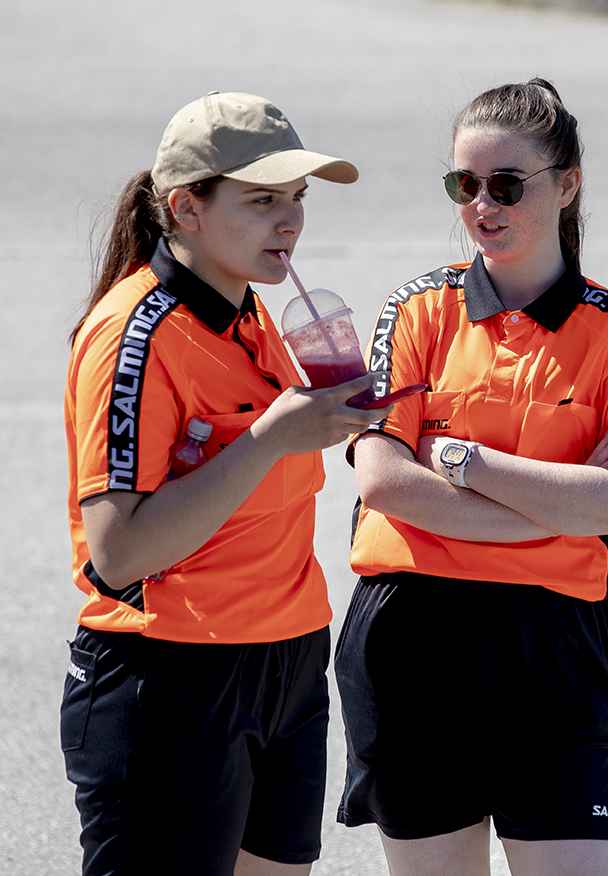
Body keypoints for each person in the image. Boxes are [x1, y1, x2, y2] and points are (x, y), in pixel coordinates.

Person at [334, 78, 608, 876]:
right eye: (464, 185)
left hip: (556, 648)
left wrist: (461, 461)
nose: (481, 205)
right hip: (412, 639)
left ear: (566, 186)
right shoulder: (416, 310)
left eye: (506, 185)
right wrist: (557, 506)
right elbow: (382, 481)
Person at [60, 91, 389, 876]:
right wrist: (271, 438)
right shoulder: (135, 335)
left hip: (287, 659)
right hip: (173, 670)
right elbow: (117, 552)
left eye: (297, 198)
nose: (291, 221)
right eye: (262, 200)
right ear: (187, 208)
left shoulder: (252, 312)